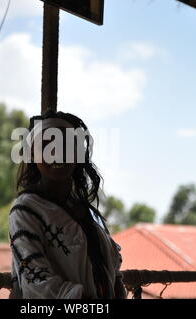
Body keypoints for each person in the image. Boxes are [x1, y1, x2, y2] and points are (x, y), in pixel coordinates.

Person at [8, 110, 126, 299]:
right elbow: (38, 283)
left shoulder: (86, 211)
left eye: (66, 145)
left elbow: (113, 272)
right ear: (33, 153)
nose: (56, 153)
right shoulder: (26, 210)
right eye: (46, 145)